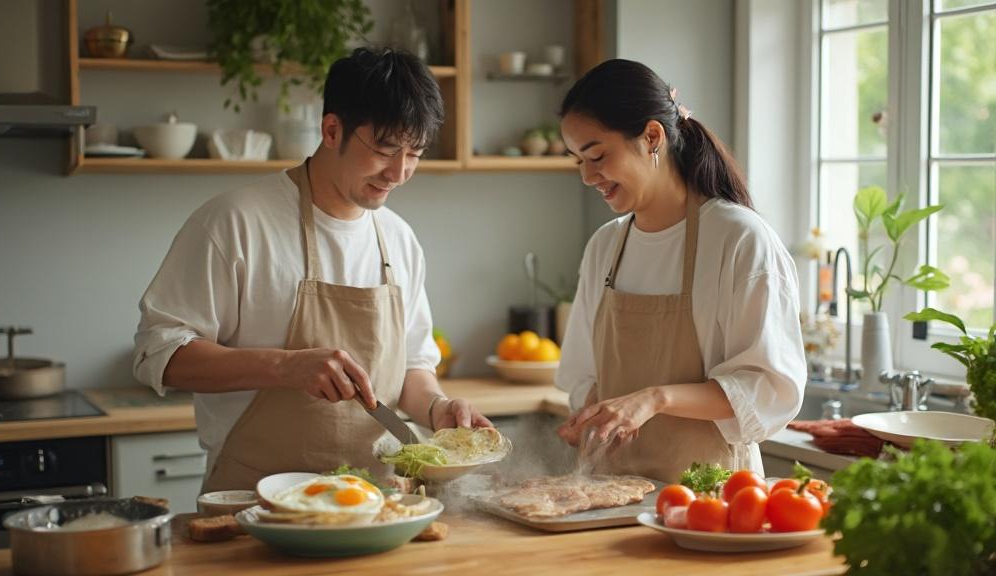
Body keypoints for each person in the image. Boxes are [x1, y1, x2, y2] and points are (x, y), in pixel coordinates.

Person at [133, 47, 492, 492]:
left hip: (377, 503)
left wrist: (439, 408)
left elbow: (414, 367)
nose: (399, 172)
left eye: (414, 153)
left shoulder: (398, 239)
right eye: (384, 149)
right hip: (254, 506)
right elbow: (160, 354)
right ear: (331, 129)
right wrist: (285, 368)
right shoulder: (235, 222)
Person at [554, 59, 805, 482]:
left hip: (710, 501)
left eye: (596, 155)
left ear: (652, 137)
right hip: (609, 494)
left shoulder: (738, 239)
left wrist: (655, 399)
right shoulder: (606, 247)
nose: (586, 176)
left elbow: (767, 388)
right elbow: (585, 375)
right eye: (578, 160)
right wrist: (594, 419)